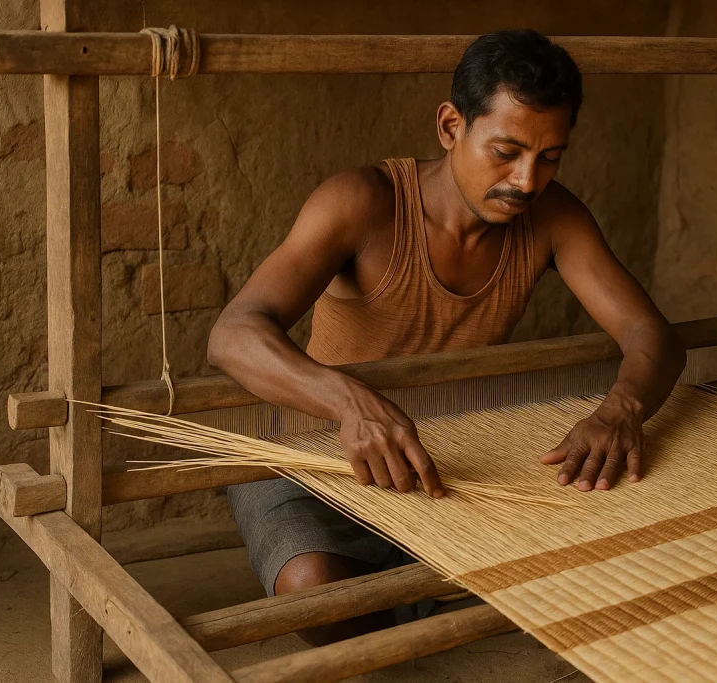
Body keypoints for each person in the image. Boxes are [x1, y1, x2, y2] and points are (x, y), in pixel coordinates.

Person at [207, 28, 686, 644]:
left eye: (550, 157)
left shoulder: (552, 219)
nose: (525, 180)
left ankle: (431, 597)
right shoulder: (363, 203)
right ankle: (431, 604)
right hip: (309, 455)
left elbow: (652, 334)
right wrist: (349, 402)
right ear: (450, 126)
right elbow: (233, 334)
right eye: (506, 151)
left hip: (441, 459)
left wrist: (621, 410)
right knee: (315, 590)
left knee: (606, 545)